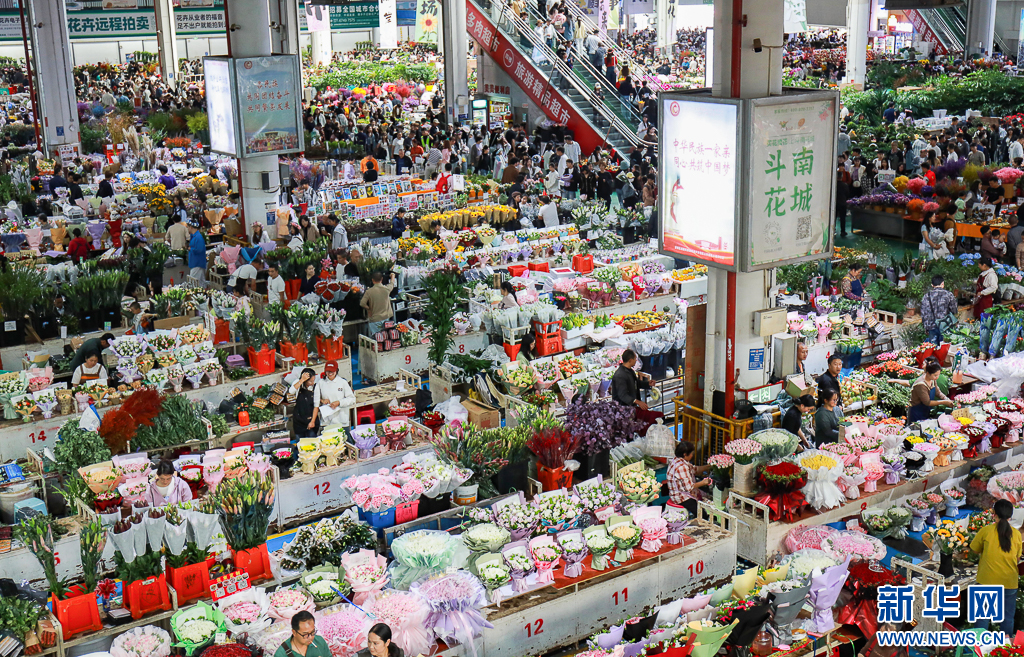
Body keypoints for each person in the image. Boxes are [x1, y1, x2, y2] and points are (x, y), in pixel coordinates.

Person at [971, 499, 1022, 636]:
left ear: (994, 514)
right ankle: (1005, 650)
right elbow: (1017, 559)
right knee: (1007, 618)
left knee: (982, 618)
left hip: (986, 581)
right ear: (1011, 516)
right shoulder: (1016, 534)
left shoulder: (986, 531)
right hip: (1009, 583)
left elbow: (974, 549)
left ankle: (979, 650)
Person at [611, 349, 662, 428]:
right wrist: (637, 401)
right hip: (624, 409)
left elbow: (636, 383)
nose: (636, 361)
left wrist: (648, 384)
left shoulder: (630, 371)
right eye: (635, 359)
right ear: (631, 360)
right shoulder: (620, 375)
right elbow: (622, 395)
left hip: (633, 407)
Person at [666, 440, 712, 517]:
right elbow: (689, 487)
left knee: (704, 496)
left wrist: (708, 467)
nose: (692, 456)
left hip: (679, 492)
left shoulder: (676, 460)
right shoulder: (681, 467)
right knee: (702, 514)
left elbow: (694, 469)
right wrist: (704, 482)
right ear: (685, 454)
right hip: (680, 497)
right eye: (691, 454)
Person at [920, 275, 959, 344]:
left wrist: (926, 327)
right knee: (945, 348)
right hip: (945, 325)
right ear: (942, 284)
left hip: (931, 326)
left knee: (933, 348)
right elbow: (954, 310)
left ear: (932, 285)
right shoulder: (949, 294)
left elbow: (923, 313)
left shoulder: (926, 296)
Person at [318, 361, 356, 427]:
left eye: (332, 371)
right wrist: (322, 400)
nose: (330, 373)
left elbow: (352, 399)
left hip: (341, 421)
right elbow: (314, 398)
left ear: (336, 371)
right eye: (328, 371)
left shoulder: (343, 382)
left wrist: (339, 402)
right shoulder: (320, 383)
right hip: (327, 422)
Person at [289, 368, 321, 439]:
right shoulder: (298, 383)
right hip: (299, 420)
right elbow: (291, 391)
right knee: (300, 443)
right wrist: (302, 380)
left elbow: (316, 406)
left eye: (313, 381)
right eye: (310, 381)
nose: (312, 383)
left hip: (310, 420)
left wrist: (312, 422)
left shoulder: (315, 387)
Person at [361, 271, 396, 335]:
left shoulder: (369, 292)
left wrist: (369, 309)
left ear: (372, 280)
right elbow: (392, 283)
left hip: (375, 319)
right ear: (382, 279)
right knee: (386, 338)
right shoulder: (386, 289)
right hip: (386, 318)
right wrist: (393, 276)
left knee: (376, 339)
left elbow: (362, 303)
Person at [187, 219, 207, 286]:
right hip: (195, 263)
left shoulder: (198, 237)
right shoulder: (194, 237)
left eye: (188, 227)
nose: (187, 228)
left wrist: (190, 249)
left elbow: (200, 249)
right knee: (200, 283)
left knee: (193, 283)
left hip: (197, 263)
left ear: (191, 227)